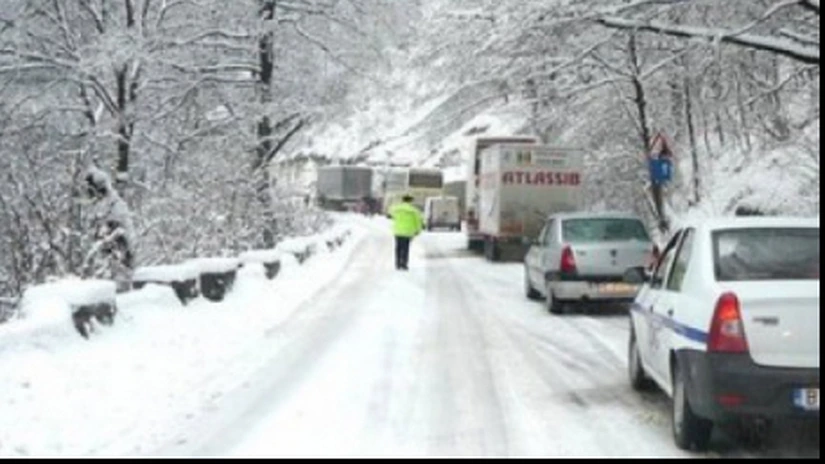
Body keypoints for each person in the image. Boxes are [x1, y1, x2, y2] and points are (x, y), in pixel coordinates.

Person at [388, 195, 424, 270]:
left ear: (403, 200)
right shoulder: (414, 211)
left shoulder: (397, 209)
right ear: (410, 201)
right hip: (408, 232)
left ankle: (397, 263)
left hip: (397, 231)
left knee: (398, 248)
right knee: (405, 248)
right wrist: (418, 230)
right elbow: (418, 221)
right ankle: (404, 264)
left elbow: (390, 214)